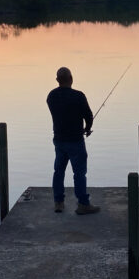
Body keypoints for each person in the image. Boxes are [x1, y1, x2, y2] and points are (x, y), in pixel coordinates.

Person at [47, 67, 100, 215]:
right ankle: (83, 204)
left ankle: (58, 202)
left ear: (57, 80)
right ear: (71, 78)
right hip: (76, 141)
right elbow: (88, 116)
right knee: (79, 173)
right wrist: (87, 128)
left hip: (59, 140)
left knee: (58, 171)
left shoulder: (51, 96)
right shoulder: (78, 96)